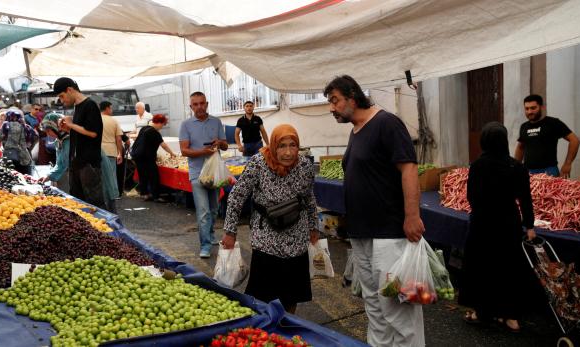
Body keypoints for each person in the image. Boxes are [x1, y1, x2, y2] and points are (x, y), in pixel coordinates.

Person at [323, 75, 425, 347]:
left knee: (397, 307)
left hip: (388, 234)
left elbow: (409, 169)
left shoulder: (387, 124)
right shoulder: (356, 130)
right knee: (374, 306)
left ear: (352, 97)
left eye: (334, 101)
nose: (331, 108)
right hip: (361, 233)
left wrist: (412, 216)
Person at [222, 124, 319, 314]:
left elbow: (309, 197)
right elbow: (237, 196)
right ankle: (265, 333)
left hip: (296, 239)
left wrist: (314, 226)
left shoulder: (305, 165)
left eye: (293, 145)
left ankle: (286, 329)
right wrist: (230, 232)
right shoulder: (258, 163)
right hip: (267, 239)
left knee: (291, 296)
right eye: (282, 146)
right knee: (263, 298)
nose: (288, 152)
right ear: (273, 145)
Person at [460, 122, 536, 332]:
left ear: (484, 141)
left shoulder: (478, 166)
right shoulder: (516, 166)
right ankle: (510, 317)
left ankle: (481, 312)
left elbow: (471, 197)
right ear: (504, 141)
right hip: (508, 224)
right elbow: (526, 200)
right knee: (508, 268)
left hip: (482, 224)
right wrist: (529, 225)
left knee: (482, 267)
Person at [179, 91, 228, 258]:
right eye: (195, 104)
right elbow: (184, 150)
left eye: (202, 103)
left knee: (214, 209)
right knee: (203, 211)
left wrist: (220, 142)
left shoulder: (216, 122)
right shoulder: (186, 125)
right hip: (197, 174)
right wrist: (202, 151)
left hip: (214, 173)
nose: (199, 107)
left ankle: (211, 233)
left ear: (206, 104)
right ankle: (205, 244)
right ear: (191, 106)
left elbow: (226, 146)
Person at [39, 113, 120, 211]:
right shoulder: (60, 141)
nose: (48, 134)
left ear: (57, 127)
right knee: (88, 206)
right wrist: (49, 176)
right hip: (83, 175)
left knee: (102, 204)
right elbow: (60, 163)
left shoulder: (75, 138)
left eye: (49, 130)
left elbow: (70, 162)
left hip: (95, 172)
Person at [53, 77, 105, 209]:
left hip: (88, 164)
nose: (62, 100)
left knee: (93, 205)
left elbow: (93, 133)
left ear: (69, 90)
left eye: (62, 96)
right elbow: (82, 134)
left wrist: (71, 124)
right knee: (78, 203)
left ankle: (101, 229)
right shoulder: (77, 106)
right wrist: (69, 129)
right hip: (77, 163)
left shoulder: (90, 105)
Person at [514, 94, 580, 178]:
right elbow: (520, 147)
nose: (529, 112)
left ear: (541, 107)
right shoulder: (524, 126)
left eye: (533, 108)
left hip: (549, 171)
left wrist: (567, 164)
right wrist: (516, 168)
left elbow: (574, 140)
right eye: (527, 108)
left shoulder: (553, 123)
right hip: (528, 171)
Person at [131, 114, 177, 203]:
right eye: (163, 125)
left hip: (138, 156)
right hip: (147, 157)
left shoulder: (144, 128)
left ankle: (145, 194)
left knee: (143, 175)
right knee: (154, 176)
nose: (162, 127)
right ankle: (156, 196)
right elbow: (163, 145)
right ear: (159, 123)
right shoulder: (154, 132)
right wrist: (172, 153)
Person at [0, 108, 38, 175]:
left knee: (12, 175)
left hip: (10, 154)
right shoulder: (26, 127)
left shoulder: (6, 125)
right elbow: (36, 136)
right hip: (25, 156)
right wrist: (29, 148)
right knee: (26, 177)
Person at [100, 101, 124, 209]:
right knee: (110, 178)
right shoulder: (113, 121)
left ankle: (101, 202)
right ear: (107, 108)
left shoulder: (96, 119)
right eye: (111, 108)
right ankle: (110, 203)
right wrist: (120, 153)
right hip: (110, 152)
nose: (112, 110)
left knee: (100, 177)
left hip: (97, 151)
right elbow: (118, 139)